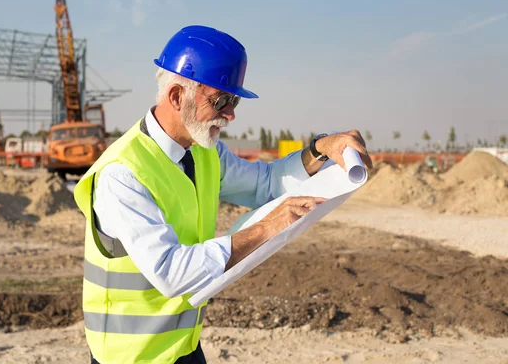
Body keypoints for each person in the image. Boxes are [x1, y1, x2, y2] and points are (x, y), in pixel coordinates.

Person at [73, 25, 372, 364]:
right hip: (132, 358)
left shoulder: (203, 151)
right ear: (176, 97)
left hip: (183, 347)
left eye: (234, 101)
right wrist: (264, 230)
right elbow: (172, 273)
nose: (231, 114)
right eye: (222, 101)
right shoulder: (122, 173)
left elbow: (266, 184)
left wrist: (320, 149)